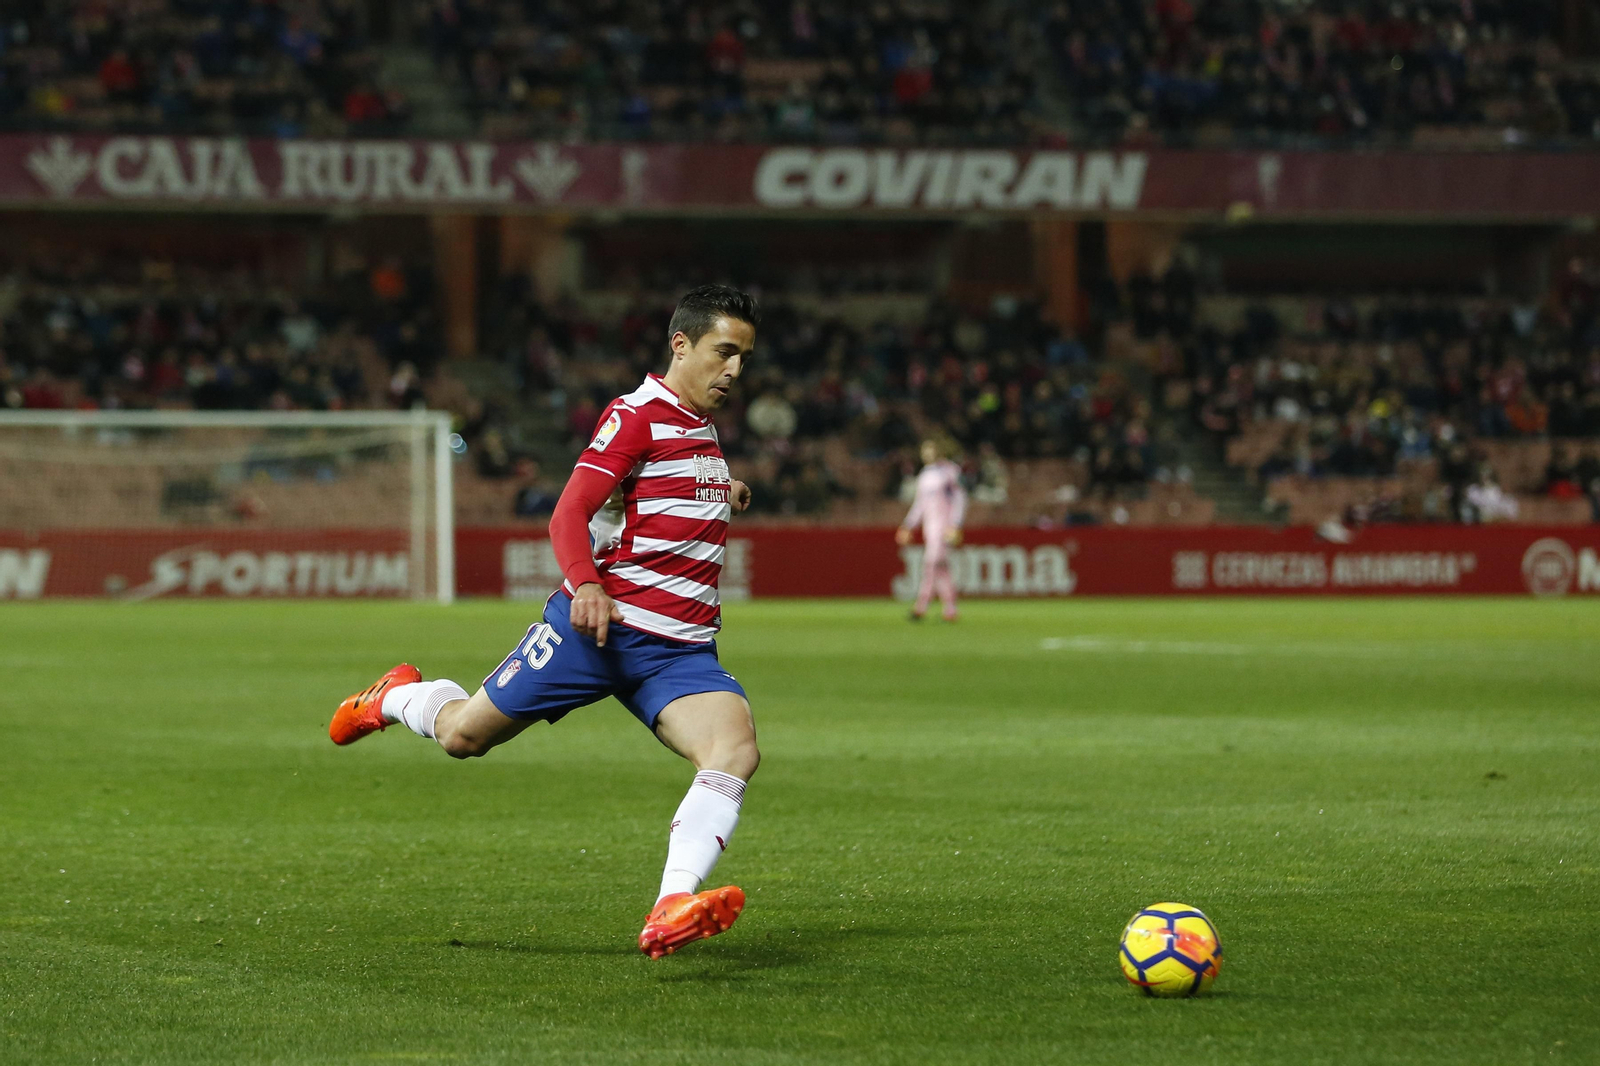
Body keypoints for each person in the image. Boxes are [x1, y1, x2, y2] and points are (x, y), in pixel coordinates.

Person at [327, 286, 762, 959]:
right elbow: (568, 514)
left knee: (734, 751)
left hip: (678, 651)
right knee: (465, 737)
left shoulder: (702, 427)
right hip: (597, 632)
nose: (735, 369)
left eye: (744, 357)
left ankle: (671, 904)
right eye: (724, 352)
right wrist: (586, 585)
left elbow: (657, 495)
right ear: (682, 345)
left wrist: (721, 488)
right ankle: (396, 696)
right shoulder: (637, 414)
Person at [896, 437, 968, 621]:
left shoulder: (950, 471)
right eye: (924, 450)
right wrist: (908, 525)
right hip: (930, 526)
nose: (926, 453)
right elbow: (920, 504)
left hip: (944, 526)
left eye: (930, 449)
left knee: (930, 564)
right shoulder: (925, 474)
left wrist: (955, 524)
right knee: (941, 569)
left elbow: (959, 499)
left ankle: (921, 605)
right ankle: (951, 609)